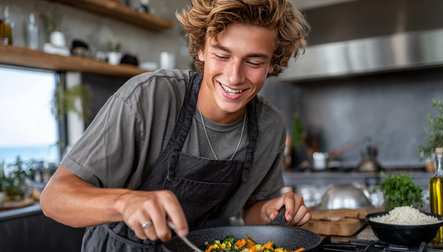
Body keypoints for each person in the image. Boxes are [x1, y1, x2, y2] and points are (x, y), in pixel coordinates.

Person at [40, 0, 311, 251]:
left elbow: (249, 209)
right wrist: (123, 202)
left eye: (253, 62)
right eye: (222, 55)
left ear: (272, 65)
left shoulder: (269, 125)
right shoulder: (149, 97)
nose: (234, 76)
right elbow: (54, 198)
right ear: (202, 49)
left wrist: (269, 211)